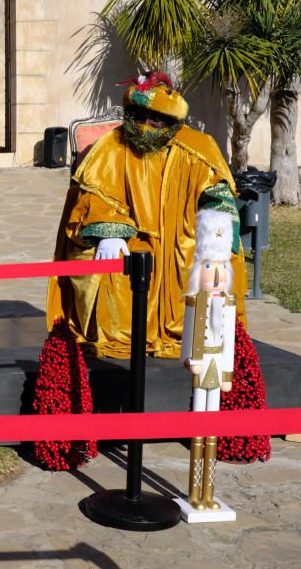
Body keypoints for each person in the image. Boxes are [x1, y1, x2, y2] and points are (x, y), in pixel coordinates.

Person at [46, 71, 246, 359]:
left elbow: (218, 194)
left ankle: (197, 335)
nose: (143, 125)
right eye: (138, 116)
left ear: (170, 122)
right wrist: (110, 232)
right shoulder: (111, 146)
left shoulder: (197, 149)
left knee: (211, 264)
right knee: (109, 270)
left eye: (153, 118)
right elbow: (90, 195)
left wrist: (215, 237)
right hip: (130, 243)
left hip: (181, 243)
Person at [180, 209, 235, 514]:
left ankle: (209, 492)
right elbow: (187, 338)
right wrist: (189, 360)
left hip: (217, 368)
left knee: (213, 427)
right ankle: (193, 492)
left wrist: (227, 373)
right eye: (210, 266)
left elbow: (230, 342)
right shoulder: (194, 302)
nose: (216, 275)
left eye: (222, 267)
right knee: (198, 427)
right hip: (201, 368)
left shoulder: (227, 305)